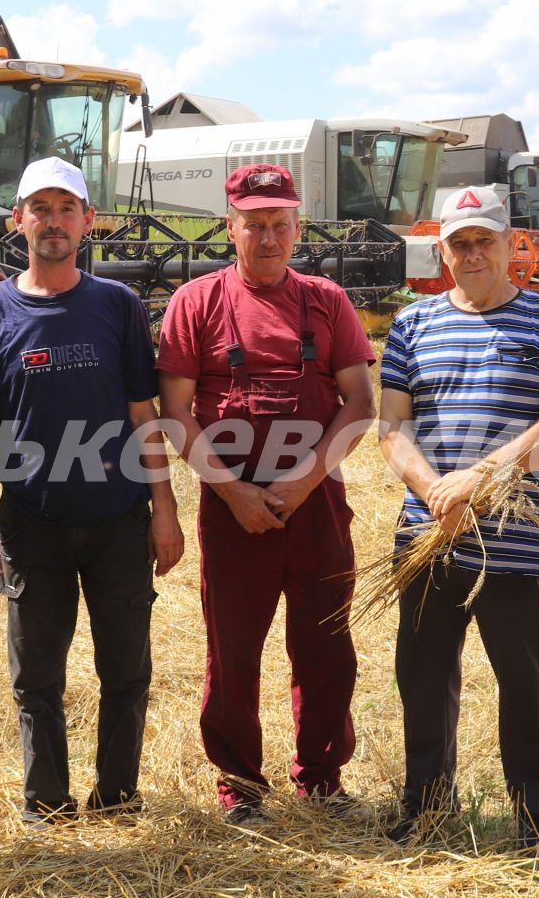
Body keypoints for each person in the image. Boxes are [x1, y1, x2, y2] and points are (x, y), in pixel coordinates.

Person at [0, 157, 183, 826]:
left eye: (66, 208)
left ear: (88, 222)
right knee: (37, 678)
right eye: (39, 208)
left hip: (117, 517)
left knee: (126, 671)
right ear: (16, 221)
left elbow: (146, 415)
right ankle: (46, 804)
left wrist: (163, 510)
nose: (52, 221)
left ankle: (117, 796)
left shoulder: (116, 306)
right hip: (32, 521)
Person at [156, 164, 377, 825]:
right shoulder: (195, 303)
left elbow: (361, 403)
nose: (269, 236)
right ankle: (242, 790)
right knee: (233, 654)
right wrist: (233, 494)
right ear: (231, 229)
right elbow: (174, 413)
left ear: (297, 228)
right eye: (254, 225)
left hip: (318, 510)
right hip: (232, 515)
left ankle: (322, 781)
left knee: (326, 648)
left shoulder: (328, 301)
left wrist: (303, 481)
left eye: (280, 224)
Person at [378, 187, 539, 849]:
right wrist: (437, 490)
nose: (472, 254)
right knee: (422, 676)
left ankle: (535, 819)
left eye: (484, 241)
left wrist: (480, 477)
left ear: (508, 244)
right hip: (429, 534)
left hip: (521, 538)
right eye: (459, 243)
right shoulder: (413, 325)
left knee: (528, 683)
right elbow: (390, 428)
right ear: (442, 249)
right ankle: (427, 804)